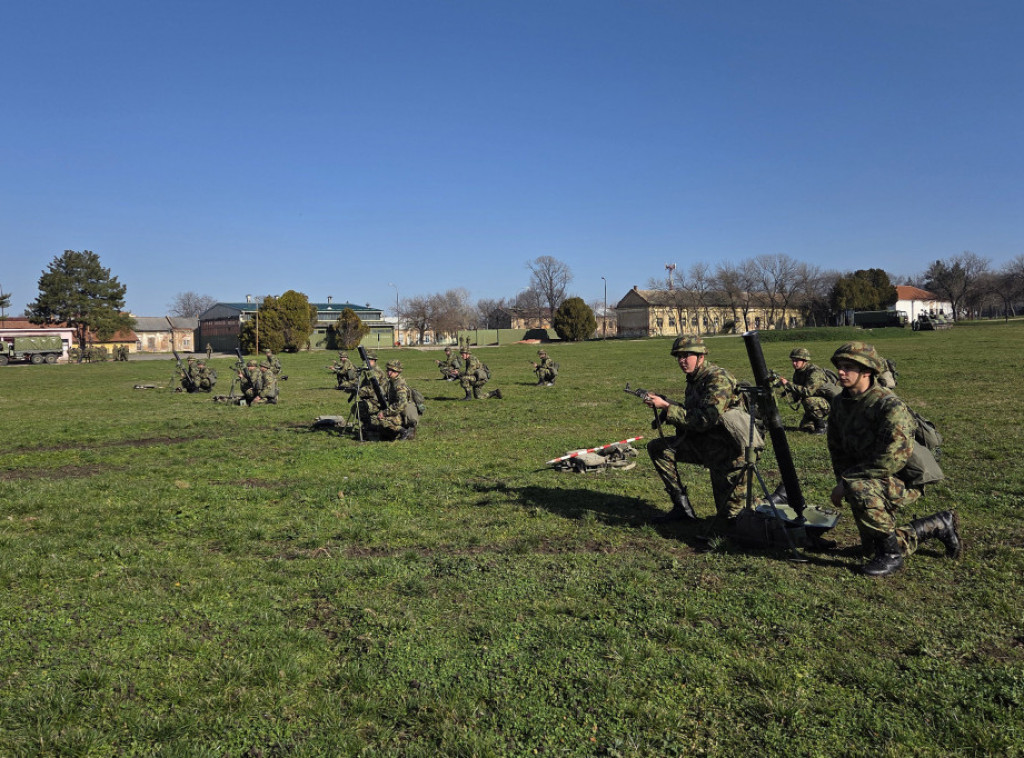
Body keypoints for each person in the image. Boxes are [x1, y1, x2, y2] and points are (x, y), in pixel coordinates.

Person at [827, 341, 961, 576]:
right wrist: (842, 479)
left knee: (858, 488)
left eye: (848, 367)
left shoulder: (888, 405)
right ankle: (937, 525)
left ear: (867, 371)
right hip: (871, 475)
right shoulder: (840, 403)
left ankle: (891, 556)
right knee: (870, 549)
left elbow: (892, 460)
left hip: (903, 477)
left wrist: (847, 482)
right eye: (840, 366)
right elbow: (837, 449)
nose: (840, 372)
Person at [644, 335, 750, 524]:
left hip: (728, 453)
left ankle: (777, 499)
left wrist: (668, 408)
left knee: (734, 518)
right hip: (706, 445)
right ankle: (682, 508)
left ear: (701, 356)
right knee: (658, 448)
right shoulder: (694, 379)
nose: (682, 361)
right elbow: (693, 412)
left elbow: (704, 419)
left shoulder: (718, 378)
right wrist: (667, 404)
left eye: (687, 356)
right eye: (679, 357)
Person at [776, 347, 832, 434]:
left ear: (804, 361)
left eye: (797, 361)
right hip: (820, 402)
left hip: (833, 404)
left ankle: (822, 426)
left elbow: (808, 392)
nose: (794, 363)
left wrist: (788, 384)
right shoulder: (799, 372)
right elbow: (797, 391)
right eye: (793, 360)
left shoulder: (815, 372)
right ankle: (823, 422)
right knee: (805, 427)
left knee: (808, 401)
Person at [370, 359, 419, 440]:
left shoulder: (399, 384)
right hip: (398, 412)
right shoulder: (391, 382)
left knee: (381, 418)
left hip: (403, 415)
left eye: (392, 371)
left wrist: (385, 413)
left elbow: (402, 404)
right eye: (388, 370)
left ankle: (403, 431)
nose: (389, 372)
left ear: (398, 372)